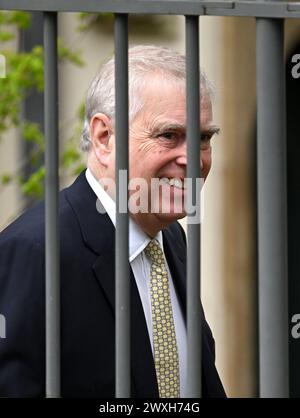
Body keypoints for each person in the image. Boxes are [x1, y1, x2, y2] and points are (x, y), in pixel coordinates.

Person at [0, 45, 226, 398]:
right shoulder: (37, 249)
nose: (192, 159)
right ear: (104, 137)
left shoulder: (170, 238)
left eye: (204, 138)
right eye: (169, 136)